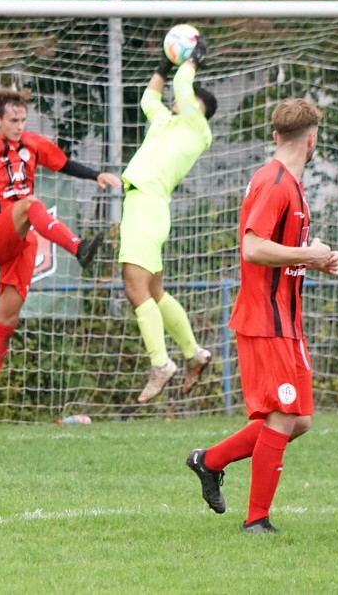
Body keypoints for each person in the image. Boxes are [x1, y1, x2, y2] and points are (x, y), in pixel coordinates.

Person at [185, 97, 338, 534]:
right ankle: (256, 521)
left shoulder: (291, 184)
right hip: (265, 319)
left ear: (276, 135)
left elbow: (280, 251)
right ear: (312, 140)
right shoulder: (274, 182)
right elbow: (252, 247)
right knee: (281, 416)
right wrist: (307, 255)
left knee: (298, 420)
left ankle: (209, 460)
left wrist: (315, 258)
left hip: (288, 322)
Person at [0, 87, 121, 425]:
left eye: (23, 119)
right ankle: (78, 248)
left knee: (7, 320)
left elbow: (65, 164)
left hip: (22, 243)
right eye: (13, 120)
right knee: (30, 204)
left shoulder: (34, 144)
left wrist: (95, 174)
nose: (19, 125)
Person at [120, 38, 218, 403]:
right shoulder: (167, 121)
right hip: (146, 205)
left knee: (135, 288)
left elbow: (182, 85)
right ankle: (194, 353)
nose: (176, 100)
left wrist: (192, 60)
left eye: (184, 99)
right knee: (154, 291)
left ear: (196, 108)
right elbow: (149, 99)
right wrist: (164, 63)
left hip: (147, 203)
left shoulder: (196, 127)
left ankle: (160, 364)